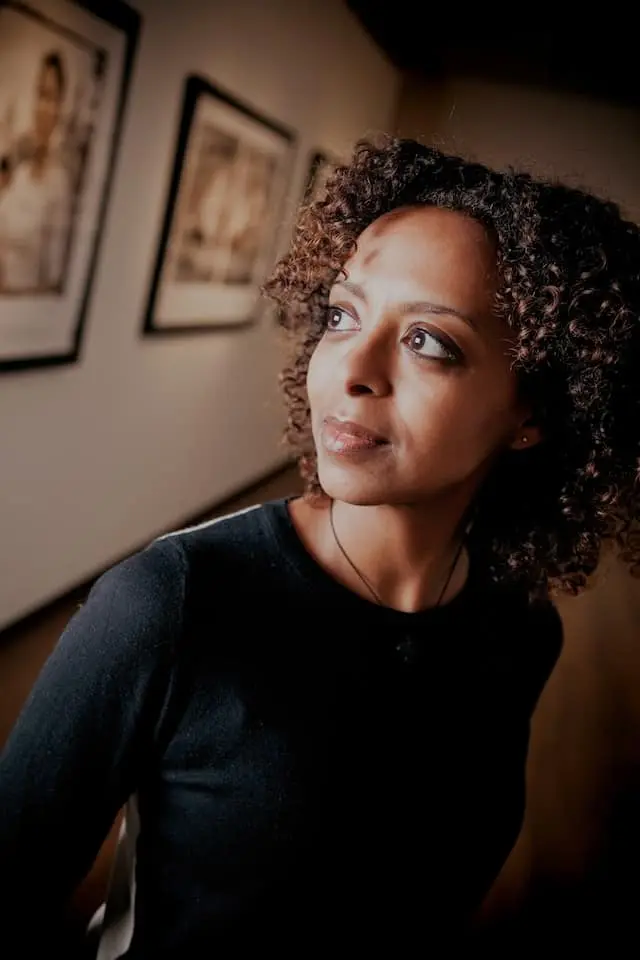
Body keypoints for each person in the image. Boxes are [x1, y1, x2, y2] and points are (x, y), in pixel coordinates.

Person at [2, 136, 640, 957]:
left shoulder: (519, 632)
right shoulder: (174, 601)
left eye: (428, 343)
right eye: (343, 315)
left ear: (532, 414)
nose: (352, 369)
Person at [0, 51, 72, 293]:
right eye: (39, 95)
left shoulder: (59, 185)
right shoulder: (20, 174)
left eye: (51, 98)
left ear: (60, 110)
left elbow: (52, 281)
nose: (42, 108)